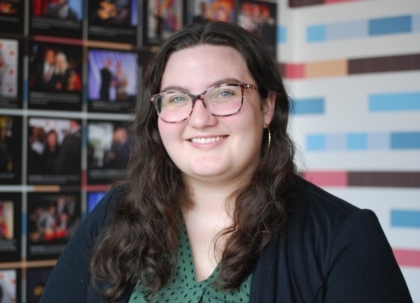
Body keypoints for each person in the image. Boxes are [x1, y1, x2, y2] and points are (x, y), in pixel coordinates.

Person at [40, 22, 412, 302]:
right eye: (176, 98)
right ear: (157, 115)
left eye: (224, 92)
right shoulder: (114, 215)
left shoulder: (343, 237)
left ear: (267, 106)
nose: (199, 118)